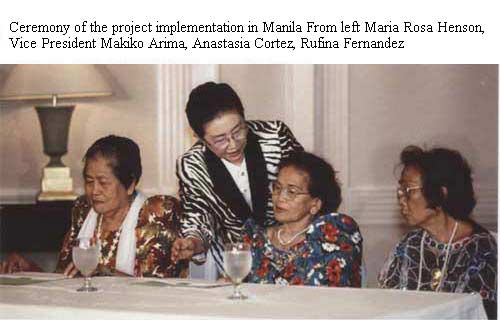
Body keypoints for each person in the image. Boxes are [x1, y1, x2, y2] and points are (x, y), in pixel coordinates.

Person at [171, 82, 303, 273]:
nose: (233, 144)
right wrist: (193, 242)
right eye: (220, 139)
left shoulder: (275, 136)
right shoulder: (192, 165)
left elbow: (309, 185)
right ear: (200, 138)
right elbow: (198, 215)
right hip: (239, 262)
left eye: (238, 131)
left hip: (295, 248)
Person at [378, 146, 497, 319]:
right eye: (400, 190)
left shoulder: (481, 251)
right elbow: (385, 302)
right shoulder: (410, 244)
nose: (401, 199)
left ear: (441, 193)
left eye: (408, 190)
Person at [56, 135, 187, 278]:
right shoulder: (83, 209)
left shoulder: (155, 214)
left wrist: (103, 272)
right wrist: (29, 267)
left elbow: (155, 288)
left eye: (103, 182)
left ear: (130, 184)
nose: (94, 191)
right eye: (89, 181)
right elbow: (63, 275)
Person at [242, 151, 362, 286]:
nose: (280, 197)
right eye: (277, 188)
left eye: (292, 192)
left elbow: (335, 294)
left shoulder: (333, 234)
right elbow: (234, 284)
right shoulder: (255, 236)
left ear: (315, 204)